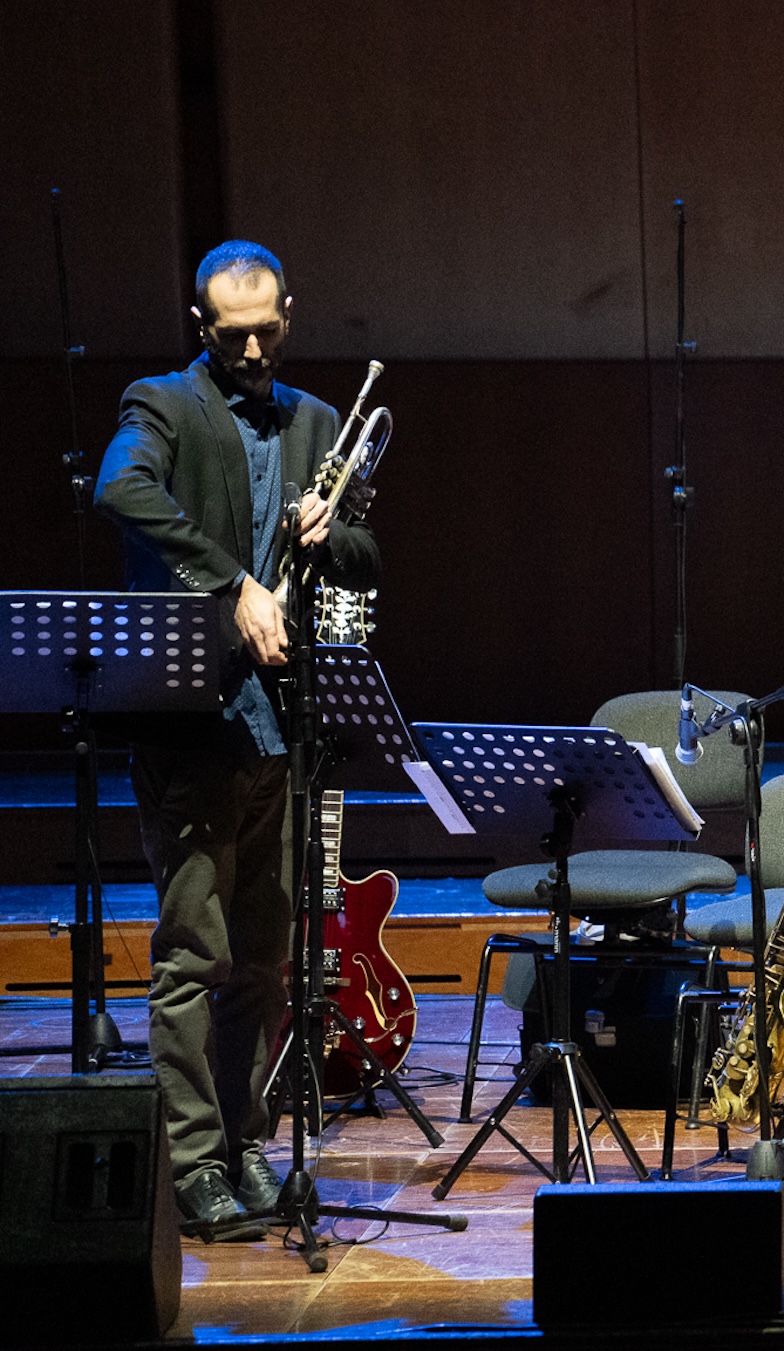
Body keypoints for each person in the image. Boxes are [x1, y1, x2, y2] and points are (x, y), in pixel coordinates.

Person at [96, 240, 380, 1239]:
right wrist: (235, 582)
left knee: (264, 960)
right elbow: (120, 493)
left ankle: (247, 1138)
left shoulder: (315, 423)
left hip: (282, 734)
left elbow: (365, 553)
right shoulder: (164, 404)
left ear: (289, 316)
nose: (252, 349)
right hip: (193, 731)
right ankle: (194, 1161)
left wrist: (323, 532)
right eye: (233, 333)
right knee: (192, 959)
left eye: (267, 330)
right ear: (201, 326)